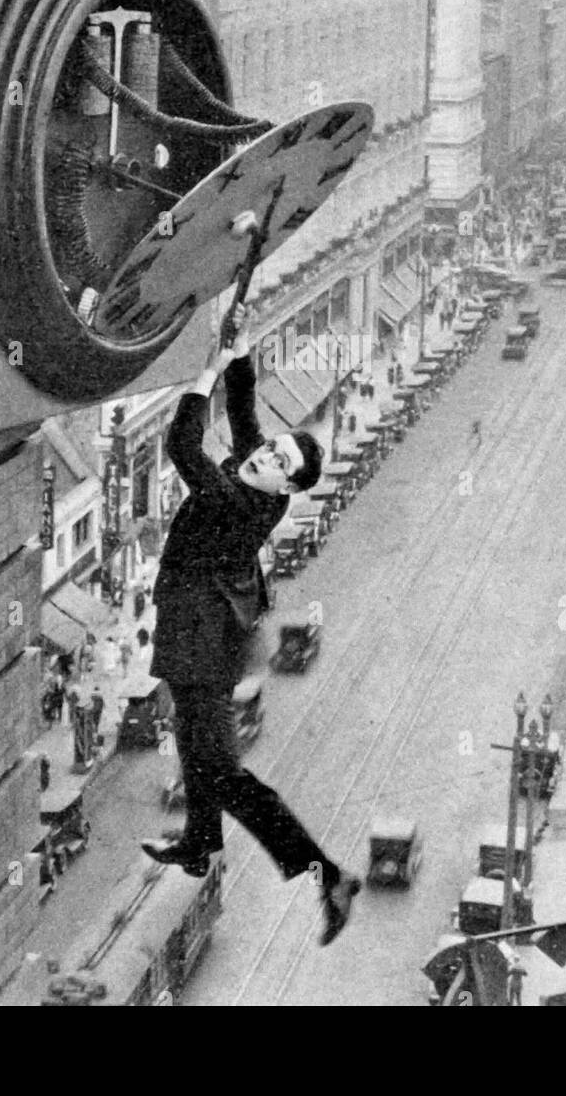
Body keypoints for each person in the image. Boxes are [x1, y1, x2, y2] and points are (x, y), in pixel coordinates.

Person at [140, 304, 360, 946]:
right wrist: (237, 348)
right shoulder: (256, 475)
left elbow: (180, 444)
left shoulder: (240, 499)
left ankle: (328, 873)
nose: (264, 453)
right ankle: (200, 840)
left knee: (221, 770)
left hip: (204, 636)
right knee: (194, 741)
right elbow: (244, 413)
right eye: (271, 448)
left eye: (276, 459)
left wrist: (205, 368)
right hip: (202, 620)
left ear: (286, 486)